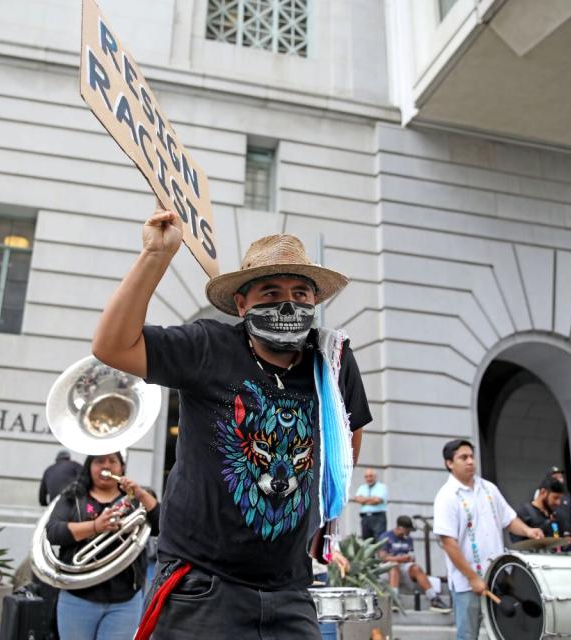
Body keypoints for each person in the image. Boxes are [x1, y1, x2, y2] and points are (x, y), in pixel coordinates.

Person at [91, 209, 372, 640]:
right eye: (270, 291)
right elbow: (112, 345)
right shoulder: (207, 346)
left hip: (292, 590)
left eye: (301, 292)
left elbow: (347, 441)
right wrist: (155, 255)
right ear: (241, 304)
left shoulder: (332, 361)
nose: (287, 303)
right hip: (203, 589)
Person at [432, 439, 544, 640]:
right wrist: (473, 578)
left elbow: (509, 519)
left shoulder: (489, 489)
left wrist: (528, 531)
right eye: (463, 458)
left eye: (472, 457)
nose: (470, 462)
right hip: (468, 583)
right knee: (467, 636)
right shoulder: (446, 496)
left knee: (505, 633)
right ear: (449, 463)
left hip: (499, 577)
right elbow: (449, 543)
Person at [45, 452, 159, 640]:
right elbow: (54, 532)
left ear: (121, 468)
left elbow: (163, 525)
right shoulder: (73, 497)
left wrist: (140, 493)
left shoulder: (135, 502)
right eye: (99, 461)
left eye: (113, 461)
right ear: (89, 467)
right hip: (78, 597)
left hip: (125, 601)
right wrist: (95, 526)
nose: (106, 466)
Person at [379, 515, 450, 613]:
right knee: (394, 565)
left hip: (404, 567)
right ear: (400, 528)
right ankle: (394, 599)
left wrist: (410, 559)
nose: (409, 533)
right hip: (388, 568)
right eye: (408, 530)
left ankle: (434, 598)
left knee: (416, 568)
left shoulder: (408, 539)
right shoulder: (386, 537)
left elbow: (411, 556)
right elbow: (382, 557)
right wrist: (399, 559)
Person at [511, 476, 570, 545]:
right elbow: (518, 542)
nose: (558, 502)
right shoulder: (524, 512)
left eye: (560, 498)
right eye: (555, 498)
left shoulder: (555, 514)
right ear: (543, 492)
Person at [351, 468, 388, 541]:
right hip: (365, 518)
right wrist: (371, 498)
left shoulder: (382, 487)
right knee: (366, 541)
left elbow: (377, 500)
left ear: (375, 476)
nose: (369, 478)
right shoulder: (362, 487)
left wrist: (364, 500)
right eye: (366, 476)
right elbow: (357, 499)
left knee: (379, 540)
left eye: (371, 476)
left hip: (378, 517)